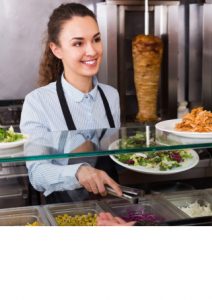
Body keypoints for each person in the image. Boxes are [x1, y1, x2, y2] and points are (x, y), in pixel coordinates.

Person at [20, 2, 122, 203]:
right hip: (65, 213)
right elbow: (37, 173)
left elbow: (114, 155)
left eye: (96, 39)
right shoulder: (37, 102)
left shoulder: (111, 96)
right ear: (56, 49)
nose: (92, 51)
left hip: (109, 205)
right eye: (78, 43)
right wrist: (78, 172)